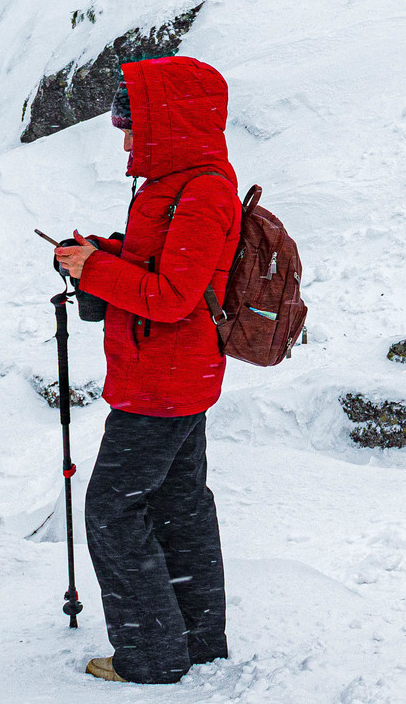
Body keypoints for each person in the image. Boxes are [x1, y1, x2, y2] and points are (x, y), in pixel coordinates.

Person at [53, 56, 241, 685]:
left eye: (131, 126)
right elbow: (160, 267)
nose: (125, 138)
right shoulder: (176, 183)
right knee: (179, 503)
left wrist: (94, 272)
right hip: (172, 375)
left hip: (163, 382)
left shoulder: (203, 190)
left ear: (169, 125)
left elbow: (172, 296)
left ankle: (153, 655)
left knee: (112, 511)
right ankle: (197, 638)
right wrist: (101, 255)